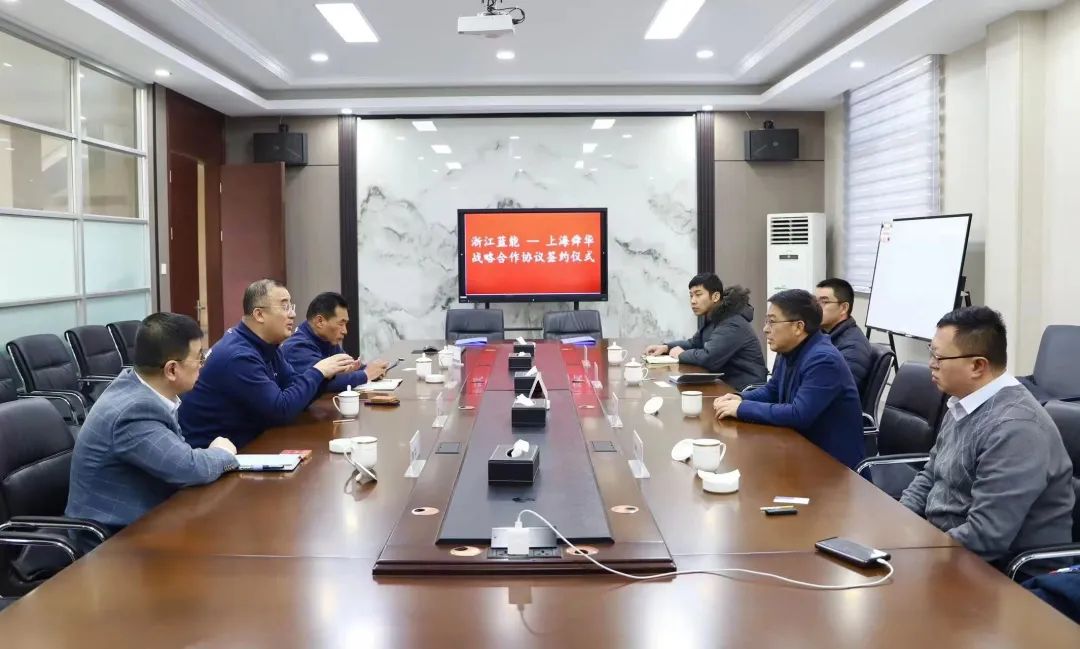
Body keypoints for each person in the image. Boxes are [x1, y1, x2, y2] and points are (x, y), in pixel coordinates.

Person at [899, 306, 1074, 564]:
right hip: (946, 547)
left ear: (978, 366)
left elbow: (985, 537)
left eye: (939, 357)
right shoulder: (963, 403)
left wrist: (915, 552)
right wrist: (897, 522)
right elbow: (931, 475)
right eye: (931, 353)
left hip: (1002, 572)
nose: (931, 364)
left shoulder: (1016, 429)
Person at [66, 313, 238, 531]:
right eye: (199, 359)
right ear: (172, 369)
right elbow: (188, 468)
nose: (202, 366)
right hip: (112, 537)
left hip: (148, 517)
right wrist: (222, 453)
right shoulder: (133, 412)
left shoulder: (137, 386)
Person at [179, 279, 357, 449]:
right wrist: (317, 371)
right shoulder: (238, 356)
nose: (293, 314)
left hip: (247, 440)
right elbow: (281, 410)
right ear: (259, 314)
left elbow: (294, 392)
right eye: (284, 307)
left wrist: (325, 375)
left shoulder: (268, 345)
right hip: (213, 454)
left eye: (292, 306)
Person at [712, 289, 864, 469]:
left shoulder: (823, 360)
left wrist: (742, 409)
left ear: (798, 327)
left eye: (772, 322)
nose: (765, 329)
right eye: (766, 321)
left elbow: (799, 414)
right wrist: (740, 398)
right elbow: (773, 390)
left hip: (832, 465)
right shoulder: (789, 349)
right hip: (798, 449)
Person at [643, 273, 767, 390]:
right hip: (725, 384)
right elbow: (694, 343)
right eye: (691, 295)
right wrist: (666, 347)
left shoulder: (732, 322)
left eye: (698, 294)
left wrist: (681, 355)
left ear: (715, 297)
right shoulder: (713, 317)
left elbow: (710, 358)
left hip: (745, 390)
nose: (693, 301)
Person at [281, 292, 390, 393]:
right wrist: (366, 374)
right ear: (320, 321)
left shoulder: (326, 340)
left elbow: (348, 368)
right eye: (341, 324)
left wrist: (370, 369)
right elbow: (322, 384)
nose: (345, 331)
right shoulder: (297, 347)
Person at [815, 277, 872, 388]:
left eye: (824, 302)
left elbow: (830, 389)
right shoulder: (821, 334)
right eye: (815, 302)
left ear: (844, 308)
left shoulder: (853, 347)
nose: (816, 308)